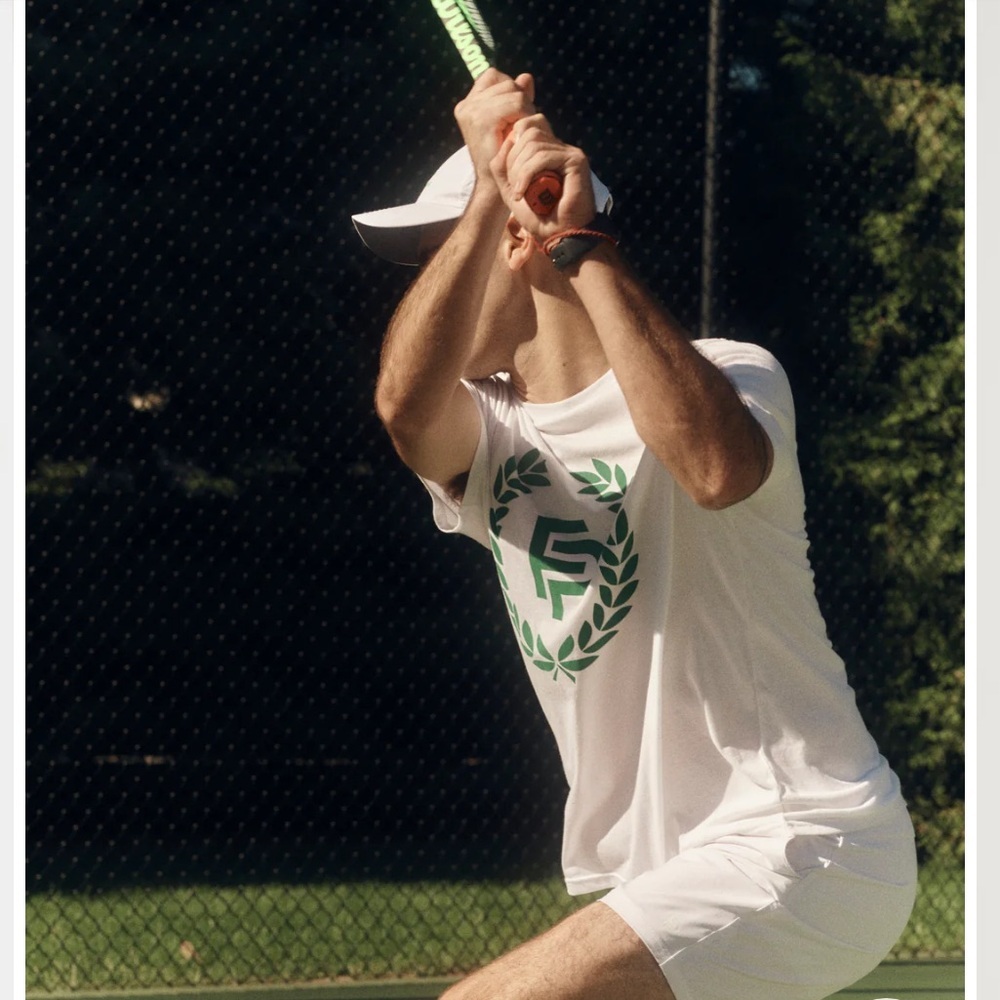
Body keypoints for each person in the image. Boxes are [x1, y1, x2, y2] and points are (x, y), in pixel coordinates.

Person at [351, 69, 918, 1000]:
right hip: (662, 874)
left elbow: (713, 470)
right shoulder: (484, 437)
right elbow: (403, 406)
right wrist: (488, 192)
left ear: (520, 240)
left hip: (802, 841)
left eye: (444, 251)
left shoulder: (732, 373)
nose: (429, 285)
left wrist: (575, 242)